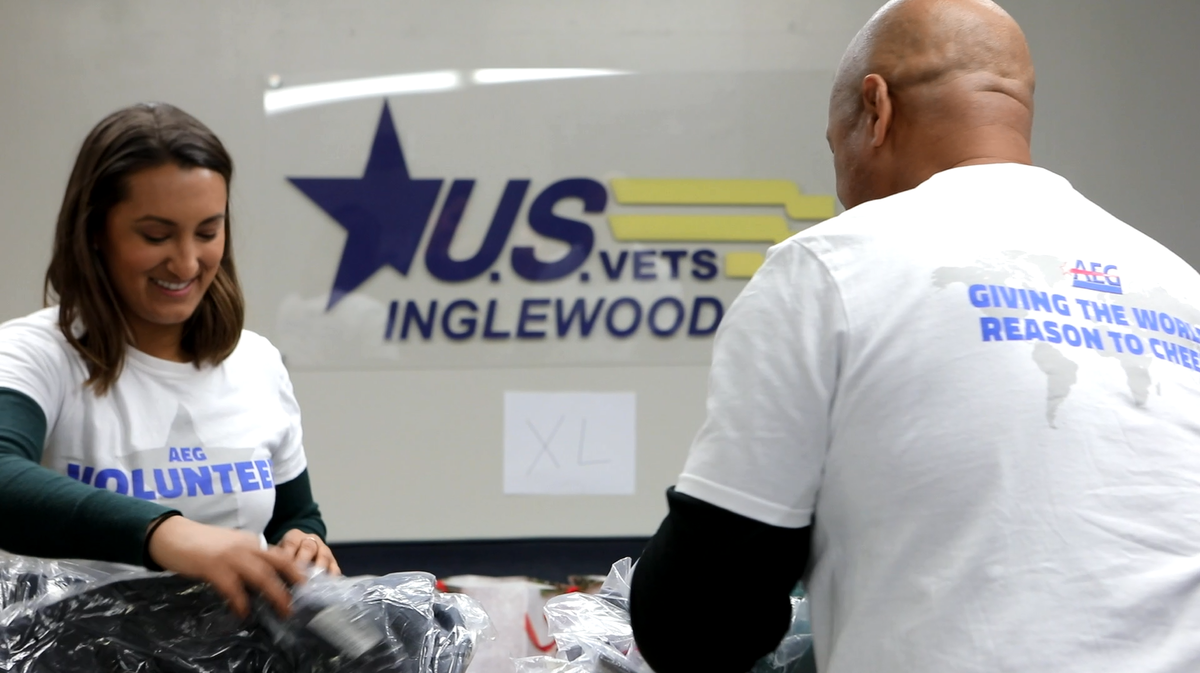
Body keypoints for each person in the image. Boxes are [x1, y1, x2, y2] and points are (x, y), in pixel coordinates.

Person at [630, 0, 1200, 671]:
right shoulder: (1180, 285)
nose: (840, 182)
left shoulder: (828, 269)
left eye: (833, 143)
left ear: (876, 109)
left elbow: (700, 622)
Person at [0, 102, 340, 618]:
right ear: (95, 231)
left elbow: (294, 517)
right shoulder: (36, 355)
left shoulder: (255, 361)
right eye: (155, 235)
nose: (185, 262)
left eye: (207, 233)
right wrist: (164, 532)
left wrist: (303, 543)